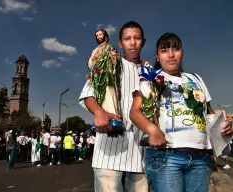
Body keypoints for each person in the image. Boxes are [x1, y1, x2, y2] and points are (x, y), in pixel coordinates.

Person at [130, 32, 233, 192]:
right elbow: (135, 111)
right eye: (164, 51)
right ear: (157, 56)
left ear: (182, 53)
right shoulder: (150, 78)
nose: (171, 55)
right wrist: (151, 129)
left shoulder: (196, 79)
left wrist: (225, 126)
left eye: (175, 49)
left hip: (201, 157)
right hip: (166, 155)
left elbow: (209, 113)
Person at [79, 21, 148, 192]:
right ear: (120, 43)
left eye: (137, 38)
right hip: (108, 153)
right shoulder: (109, 61)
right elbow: (88, 92)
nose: (132, 42)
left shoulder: (151, 72)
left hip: (140, 155)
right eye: (127, 38)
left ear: (143, 42)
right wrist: (99, 111)